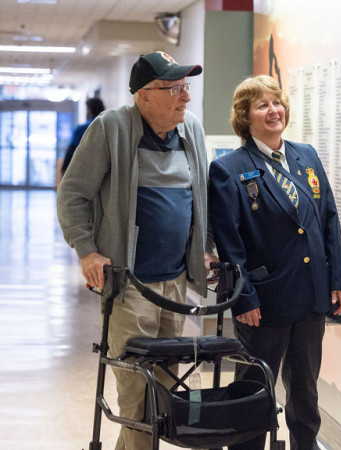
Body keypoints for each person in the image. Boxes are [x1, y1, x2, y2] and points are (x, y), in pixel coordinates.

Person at [56, 51, 216, 450]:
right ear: (145, 95)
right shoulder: (111, 128)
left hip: (176, 285)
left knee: (164, 395)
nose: (186, 97)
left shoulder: (191, 131)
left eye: (185, 88)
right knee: (136, 397)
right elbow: (72, 194)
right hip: (129, 288)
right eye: (174, 89)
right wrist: (87, 251)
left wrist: (206, 250)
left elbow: (203, 200)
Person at [208, 75, 341, 450]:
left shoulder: (306, 155)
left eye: (277, 102)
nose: (273, 111)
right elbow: (230, 244)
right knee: (255, 389)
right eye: (262, 105)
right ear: (245, 117)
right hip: (264, 302)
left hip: (310, 294)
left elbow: (328, 220)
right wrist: (243, 298)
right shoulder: (230, 169)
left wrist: (339, 279)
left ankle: (305, 444)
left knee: (305, 388)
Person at [61, 97, 105, 177]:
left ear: (90, 110)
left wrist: (63, 171)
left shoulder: (81, 129)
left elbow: (71, 151)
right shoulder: (108, 128)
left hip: (82, 171)